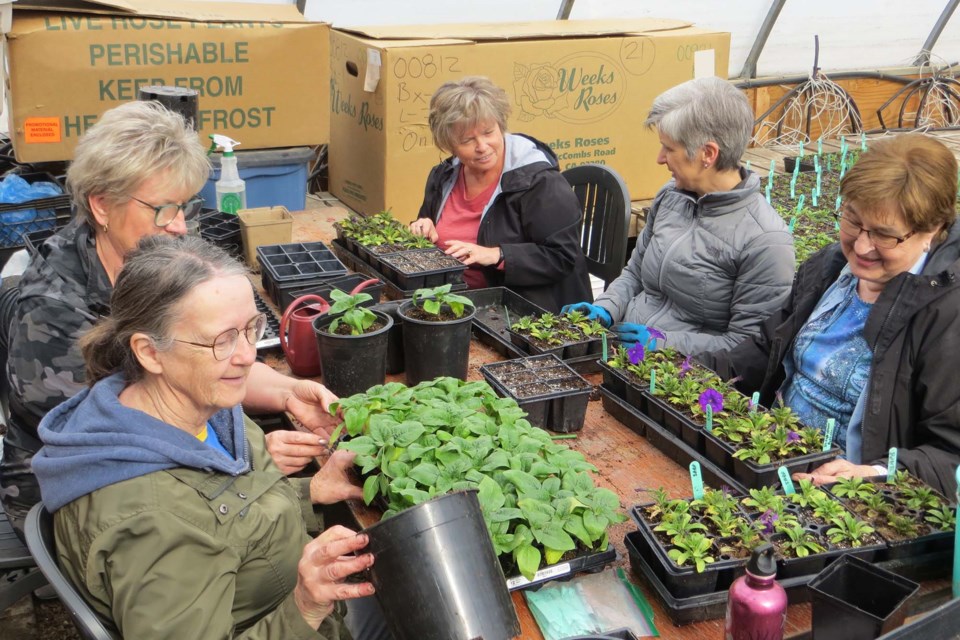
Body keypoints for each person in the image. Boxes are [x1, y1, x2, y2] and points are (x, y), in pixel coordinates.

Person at [1, 101, 333, 539]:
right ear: (101, 205)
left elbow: (199, 361)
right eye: (163, 209)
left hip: (159, 452)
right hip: (78, 491)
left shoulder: (150, 257)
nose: (179, 225)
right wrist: (244, 456)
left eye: (185, 206)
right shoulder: (52, 314)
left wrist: (289, 393)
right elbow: (112, 442)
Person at [32, 235, 372, 638]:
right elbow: (196, 523)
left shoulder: (193, 406)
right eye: (221, 339)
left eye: (251, 328)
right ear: (150, 352)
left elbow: (228, 520)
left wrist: (308, 492)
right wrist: (306, 606)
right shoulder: (154, 527)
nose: (247, 355)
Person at [697, 134, 960, 496]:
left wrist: (876, 473)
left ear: (931, 232)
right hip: (771, 458)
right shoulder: (832, 267)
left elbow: (950, 456)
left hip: (847, 501)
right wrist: (685, 369)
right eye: (853, 220)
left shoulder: (947, 315)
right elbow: (764, 350)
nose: (862, 246)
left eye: (884, 235)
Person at [563, 77, 795, 354]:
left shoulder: (765, 241)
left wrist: (663, 344)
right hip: (622, 352)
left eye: (669, 148)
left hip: (680, 380)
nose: (660, 158)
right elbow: (635, 273)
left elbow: (747, 348)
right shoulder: (671, 197)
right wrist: (606, 309)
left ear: (707, 153)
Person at [410, 76, 592, 312]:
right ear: (449, 144)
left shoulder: (540, 183)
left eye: (488, 132)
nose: (482, 146)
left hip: (521, 310)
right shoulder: (444, 176)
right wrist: (422, 226)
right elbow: (430, 230)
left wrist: (496, 254)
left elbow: (561, 257)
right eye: (467, 140)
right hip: (450, 299)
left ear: (501, 125)